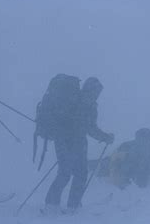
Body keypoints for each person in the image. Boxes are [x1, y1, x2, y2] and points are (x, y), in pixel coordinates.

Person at [44, 77, 114, 214]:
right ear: (89, 89)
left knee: (72, 173)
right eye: (96, 91)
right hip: (72, 140)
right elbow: (90, 127)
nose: (97, 94)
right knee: (73, 173)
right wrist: (105, 137)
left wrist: (104, 137)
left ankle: (56, 205)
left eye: (98, 91)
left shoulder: (85, 102)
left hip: (69, 140)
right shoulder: (81, 101)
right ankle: (66, 206)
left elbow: (89, 126)